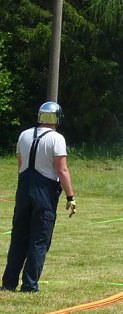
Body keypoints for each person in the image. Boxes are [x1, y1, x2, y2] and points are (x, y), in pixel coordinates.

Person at [2, 102, 76, 293]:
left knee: (18, 237)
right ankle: (29, 285)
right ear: (57, 119)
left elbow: (20, 165)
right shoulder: (57, 138)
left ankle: (8, 283)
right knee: (39, 239)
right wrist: (70, 196)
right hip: (45, 192)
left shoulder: (23, 135)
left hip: (23, 190)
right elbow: (62, 169)